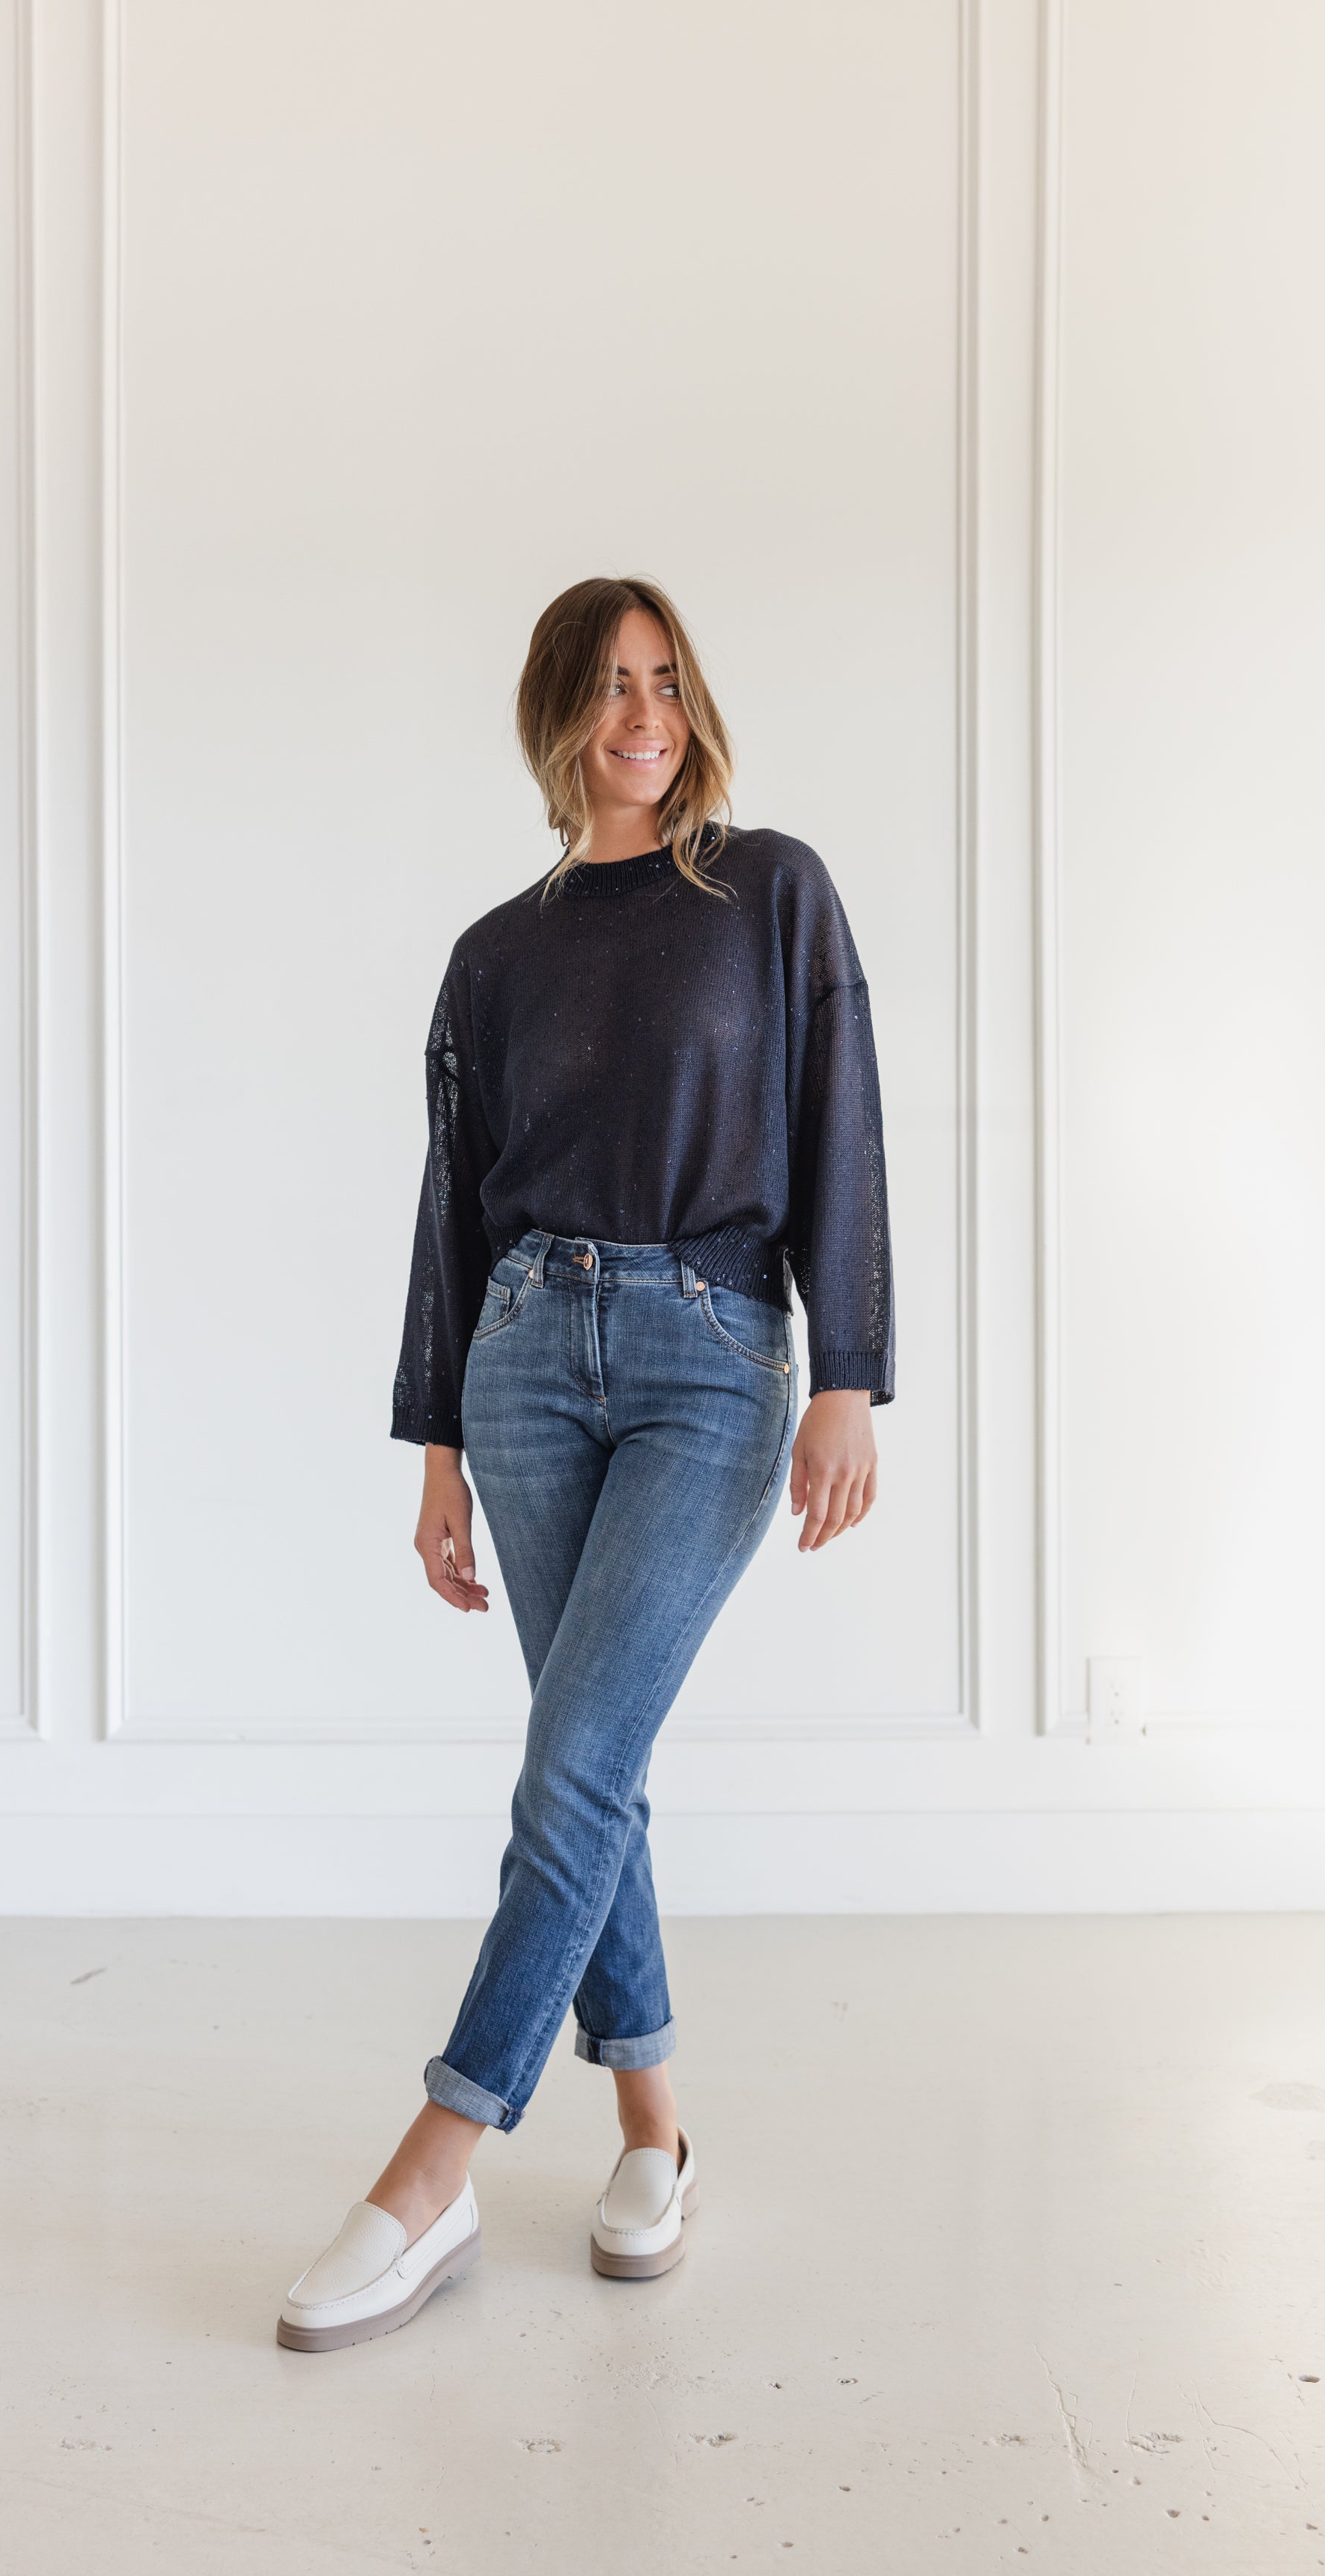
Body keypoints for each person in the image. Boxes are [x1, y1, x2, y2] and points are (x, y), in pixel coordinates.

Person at [277, 577, 895, 2351]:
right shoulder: (495, 955)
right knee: (590, 1764)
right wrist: (436, 1444)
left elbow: (841, 1120)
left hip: (713, 1360)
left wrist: (848, 1377)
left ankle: (433, 2168)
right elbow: (450, 1213)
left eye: (668, 681)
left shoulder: (771, 892)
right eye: (613, 686)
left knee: (570, 1767)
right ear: (556, 715)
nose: (646, 716)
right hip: (525, 1361)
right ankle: (653, 2132)